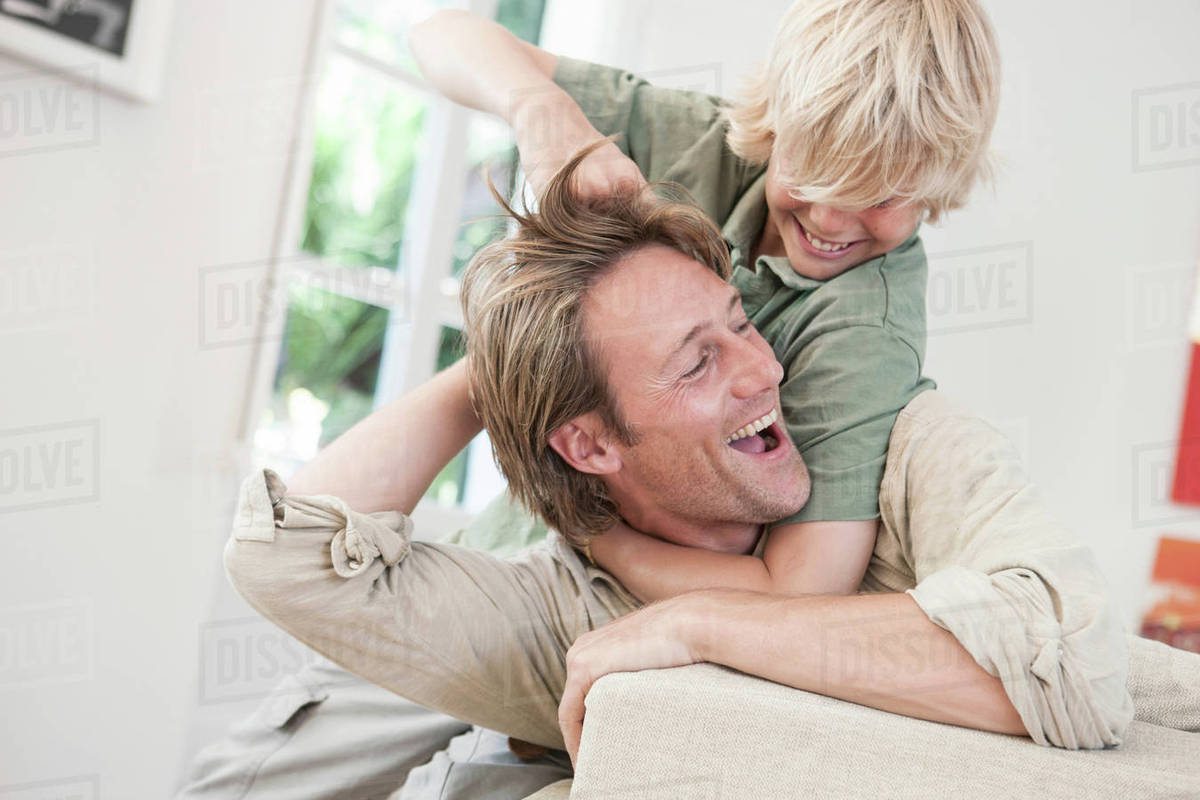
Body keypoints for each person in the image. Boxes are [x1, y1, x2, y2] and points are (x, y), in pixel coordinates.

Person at [217, 149, 1134, 784]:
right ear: (590, 444)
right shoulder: (563, 606)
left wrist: (702, 623)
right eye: (697, 362)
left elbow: (1078, 668)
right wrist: (508, 356)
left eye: (740, 323)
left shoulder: (908, 450)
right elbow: (283, 554)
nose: (765, 370)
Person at [409, 0, 1000, 601]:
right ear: (776, 125)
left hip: (623, 583)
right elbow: (440, 33)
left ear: (939, 182)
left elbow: (801, 588)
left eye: (878, 196)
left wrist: (593, 537)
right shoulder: (704, 142)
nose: (828, 219)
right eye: (810, 169)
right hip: (506, 540)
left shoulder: (864, 331)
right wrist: (539, 108)